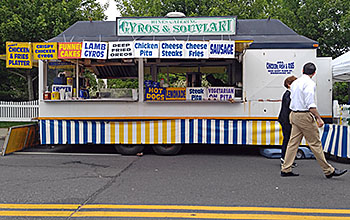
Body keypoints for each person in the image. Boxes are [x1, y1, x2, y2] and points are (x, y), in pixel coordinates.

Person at [281, 62, 347, 178]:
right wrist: (318, 118)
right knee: (315, 143)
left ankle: (286, 168)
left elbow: (292, 98)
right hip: (304, 116)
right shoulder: (310, 84)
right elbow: (310, 104)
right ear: (314, 73)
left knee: (293, 143)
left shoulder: (295, 83)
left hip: (294, 114)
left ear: (302, 70)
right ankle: (328, 170)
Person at [278, 76, 297, 167]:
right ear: (289, 84)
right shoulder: (288, 94)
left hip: (285, 119)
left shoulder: (288, 94)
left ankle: (287, 158)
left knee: (288, 139)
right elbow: (290, 106)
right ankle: (285, 158)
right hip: (286, 120)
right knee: (288, 139)